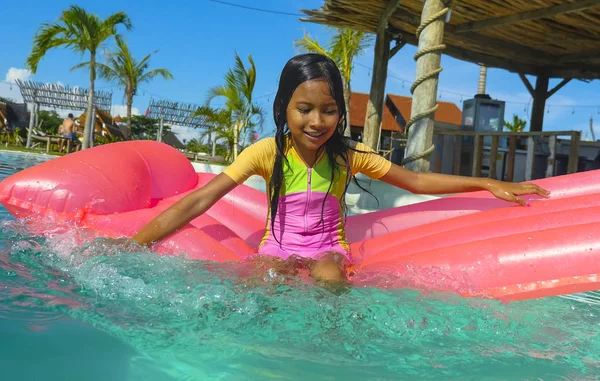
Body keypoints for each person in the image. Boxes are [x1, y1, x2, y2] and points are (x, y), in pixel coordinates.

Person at [132, 53, 550, 284]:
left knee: (332, 280)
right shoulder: (266, 152)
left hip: (327, 248)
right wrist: (135, 243)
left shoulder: (348, 155)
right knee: (263, 278)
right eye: (304, 109)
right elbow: (200, 200)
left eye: (329, 110)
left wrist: (487, 182)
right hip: (277, 245)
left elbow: (417, 181)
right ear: (283, 109)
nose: (317, 121)